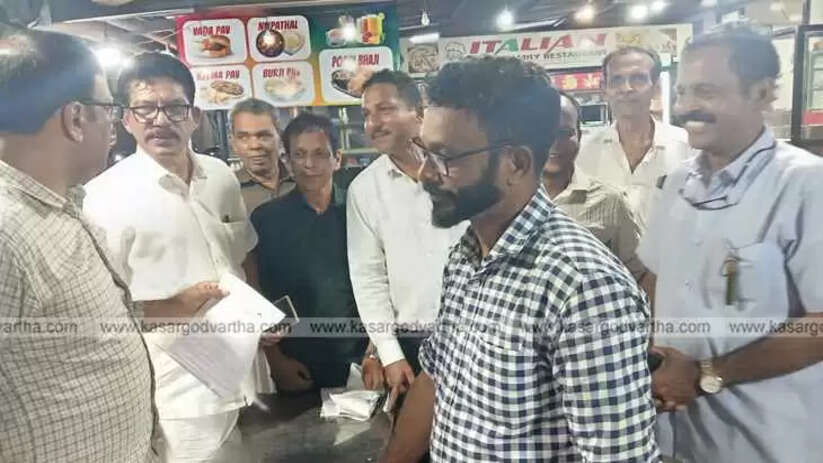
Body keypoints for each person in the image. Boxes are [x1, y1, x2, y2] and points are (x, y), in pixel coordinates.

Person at [382, 56, 659, 462]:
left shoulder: (584, 288)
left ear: (516, 163)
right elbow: (437, 378)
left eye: (445, 157)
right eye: (425, 151)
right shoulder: (467, 256)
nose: (425, 173)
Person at [0, 26, 223, 463]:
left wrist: (172, 306)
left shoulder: (62, 206)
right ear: (75, 118)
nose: (114, 126)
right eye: (109, 109)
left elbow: (87, 325)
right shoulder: (8, 232)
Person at [639, 26, 823, 463]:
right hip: (674, 435)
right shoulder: (679, 182)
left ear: (762, 93)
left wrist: (709, 374)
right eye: (682, 92)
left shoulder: (805, 184)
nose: (686, 106)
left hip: (764, 441)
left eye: (705, 91)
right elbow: (655, 279)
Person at [83, 52, 274, 463]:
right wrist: (174, 306)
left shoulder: (220, 176)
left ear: (194, 116)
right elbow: (100, 309)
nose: (161, 120)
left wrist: (261, 318)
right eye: (145, 109)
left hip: (249, 371)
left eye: (174, 108)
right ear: (126, 119)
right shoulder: (104, 198)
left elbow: (241, 255)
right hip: (180, 393)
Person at [348, 70, 467, 398]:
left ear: (418, 112)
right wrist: (388, 352)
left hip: (474, 335)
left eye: (385, 110)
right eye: (366, 114)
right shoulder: (364, 189)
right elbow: (368, 277)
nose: (373, 123)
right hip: (410, 343)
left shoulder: (460, 169)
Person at [251, 113, 367, 390]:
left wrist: (376, 353)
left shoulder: (360, 211)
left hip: (360, 359)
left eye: (319, 154)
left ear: (337, 158)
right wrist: (276, 361)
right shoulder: (267, 219)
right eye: (299, 154)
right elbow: (258, 295)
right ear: (287, 160)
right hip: (297, 363)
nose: (309, 164)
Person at [577, 46, 692, 231]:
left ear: (656, 87)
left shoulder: (688, 148)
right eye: (617, 80)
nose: (626, 88)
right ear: (604, 89)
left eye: (638, 78)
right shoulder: (583, 154)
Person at [543, 90, 645, 281]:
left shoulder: (610, 202)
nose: (554, 142)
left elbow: (637, 273)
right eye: (544, 132)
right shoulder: (508, 201)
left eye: (564, 133)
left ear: (579, 136)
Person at [229, 98, 294, 216]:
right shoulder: (227, 191)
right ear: (233, 143)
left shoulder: (305, 181)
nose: (255, 145)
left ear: (280, 137)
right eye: (243, 137)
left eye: (264, 136)